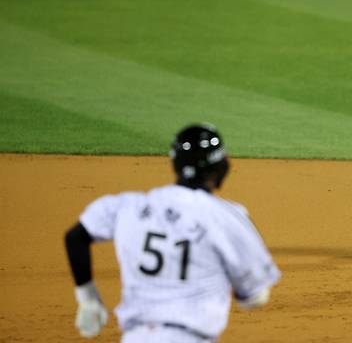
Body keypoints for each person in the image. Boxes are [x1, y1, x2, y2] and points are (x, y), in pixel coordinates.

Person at [64, 124, 280, 342]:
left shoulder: (128, 206)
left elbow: (75, 237)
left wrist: (88, 300)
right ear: (220, 166)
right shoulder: (227, 216)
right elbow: (255, 297)